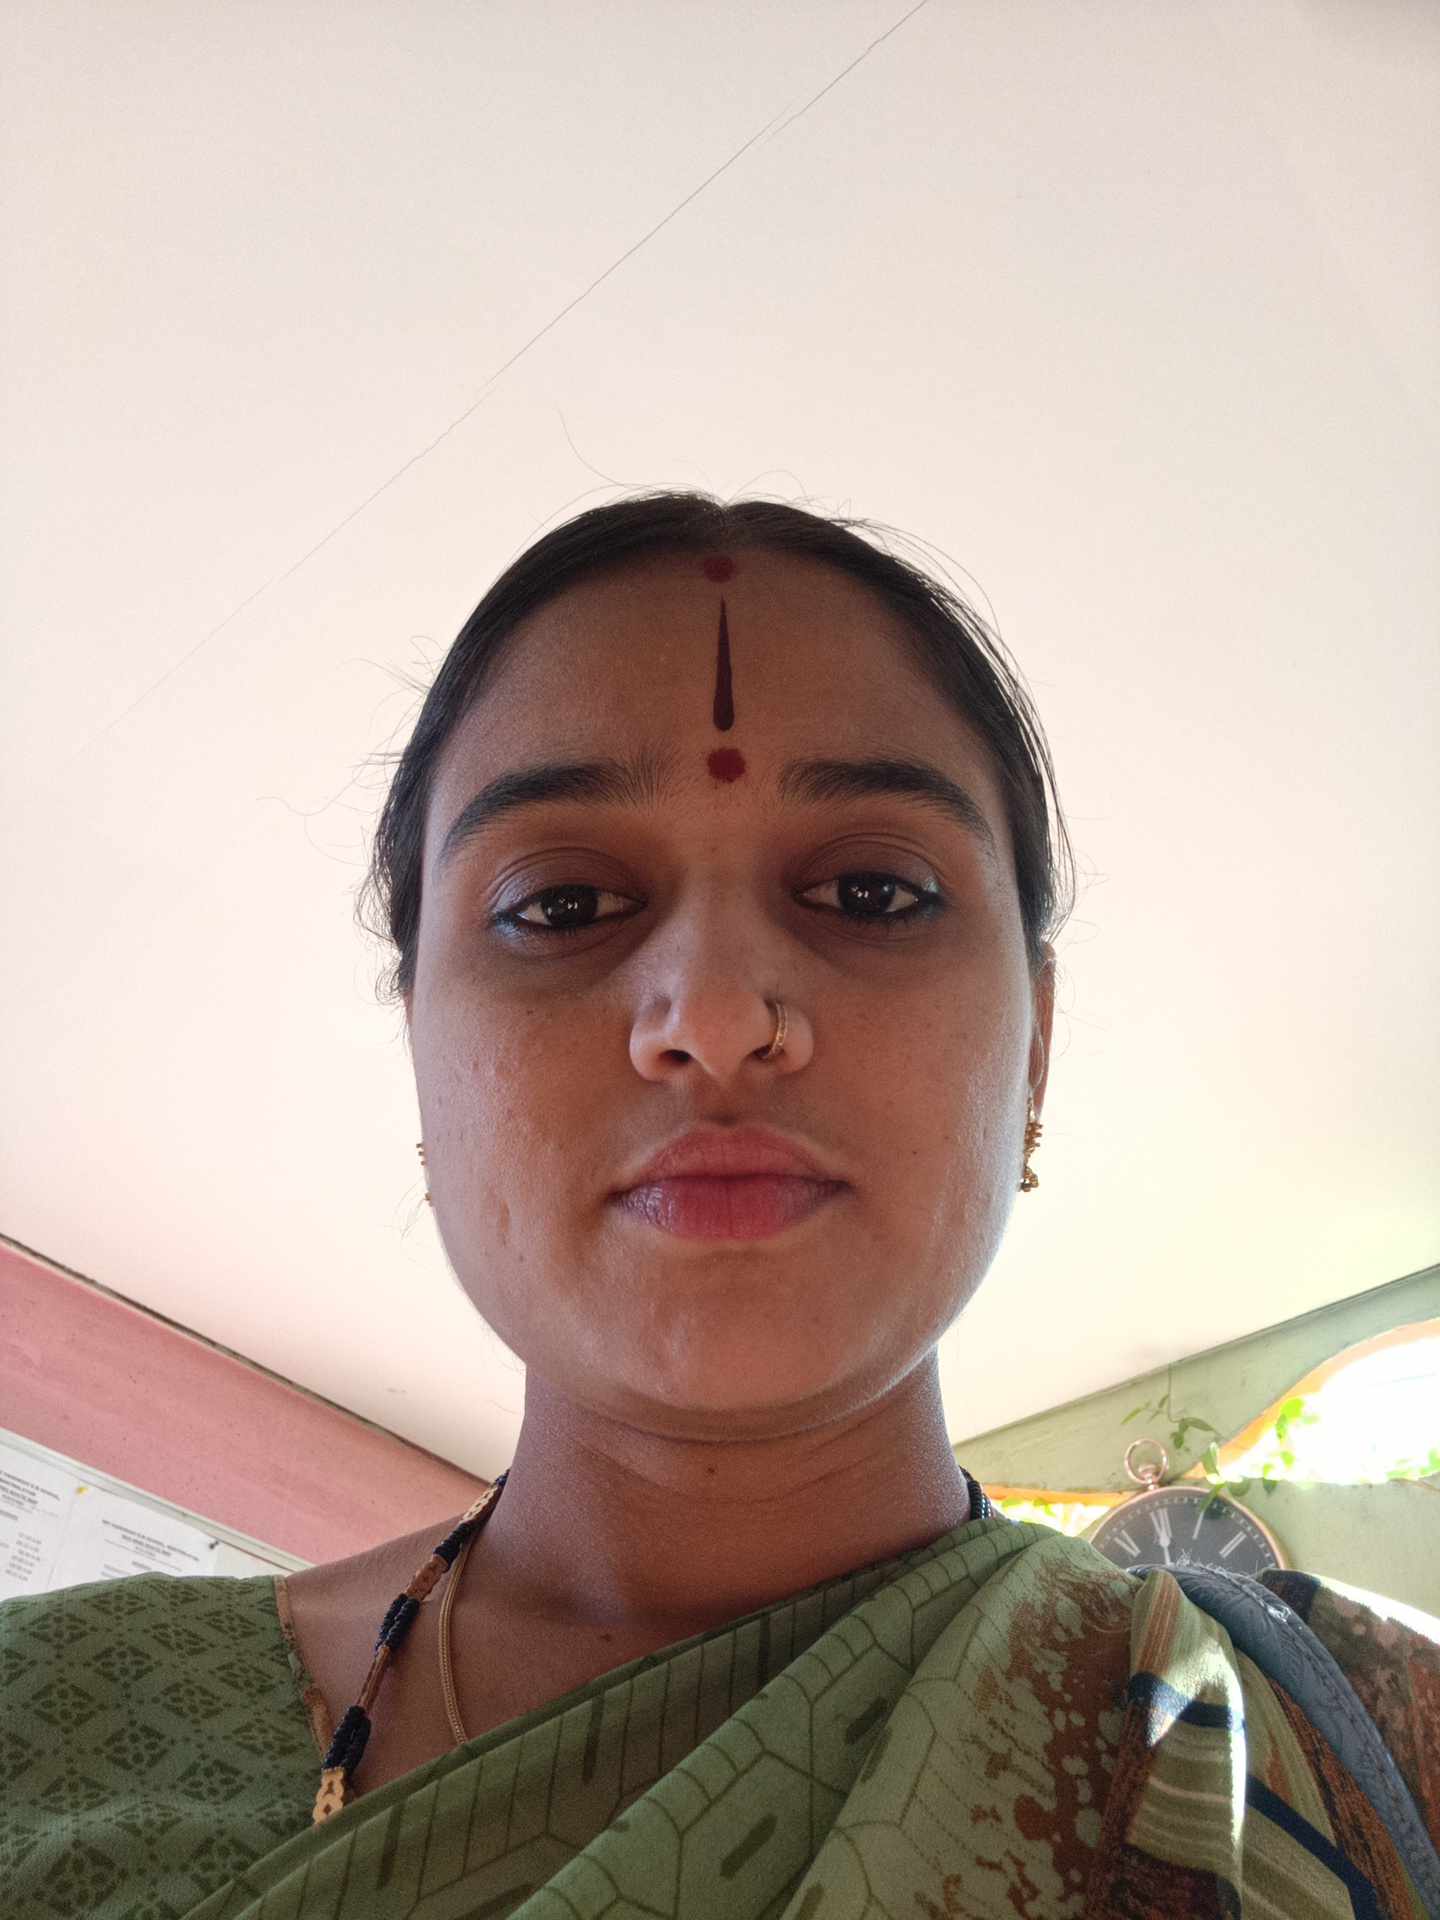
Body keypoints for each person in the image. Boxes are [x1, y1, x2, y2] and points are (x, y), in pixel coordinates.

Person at [3, 491, 1437, 1919]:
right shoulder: (49, 1727)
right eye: (564, 906)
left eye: (870, 892)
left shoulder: (1361, 1753)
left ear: (1036, 1049)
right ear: (423, 1048)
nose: (716, 1015)